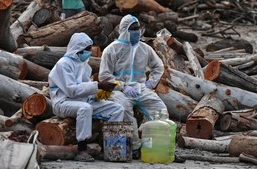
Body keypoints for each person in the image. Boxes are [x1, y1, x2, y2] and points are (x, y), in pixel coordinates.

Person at [98, 14, 168, 159]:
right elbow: (104, 76)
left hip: (141, 87)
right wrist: (122, 87)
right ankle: (135, 146)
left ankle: (158, 145)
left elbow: (158, 66)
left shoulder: (145, 48)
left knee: (160, 109)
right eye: (133, 29)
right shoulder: (111, 50)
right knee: (123, 109)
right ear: (124, 30)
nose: (137, 32)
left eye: (138, 29)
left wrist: (151, 83)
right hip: (119, 90)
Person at [48, 32, 124, 162]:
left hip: (82, 101)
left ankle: (111, 148)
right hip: (63, 102)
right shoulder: (64, 64)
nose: (89, 52)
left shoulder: (85, 66)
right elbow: (72, 91)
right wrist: (98, 85)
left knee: (117, 109)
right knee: (85, 108)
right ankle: (81, 150)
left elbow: (86, 89)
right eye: (87, 49)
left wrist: (99, 94)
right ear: (78, 49)